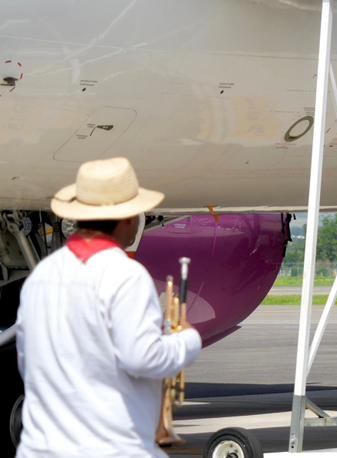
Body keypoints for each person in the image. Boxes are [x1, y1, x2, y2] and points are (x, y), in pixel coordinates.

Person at [15, 157, 202, 457]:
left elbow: (28, 363)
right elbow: (143, 358)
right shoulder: (124, 275)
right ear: (130, 219)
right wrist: (187, 341)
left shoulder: (42, 275)